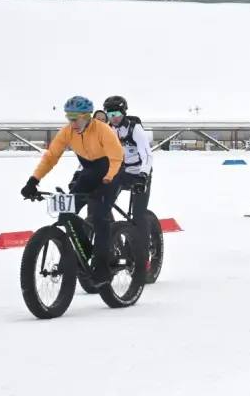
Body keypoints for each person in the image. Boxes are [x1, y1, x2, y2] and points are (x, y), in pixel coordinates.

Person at [20, 96, 125, 286]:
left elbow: (117, 158)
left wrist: (108, 180)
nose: (72, 123)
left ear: (87, 116)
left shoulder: (103, 130)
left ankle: (102, 265)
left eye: (76, 118)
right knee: (67, 211)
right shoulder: (68, 132)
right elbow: (51, 157)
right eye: (69, 118)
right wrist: (33, 180)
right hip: (90, 172)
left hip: (113, 171)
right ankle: (85, 250)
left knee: (100, 216)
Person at [103, 95, 153, 230]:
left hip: (139, 173)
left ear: (124, 113)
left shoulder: (134, 128)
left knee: (138, 216)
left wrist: (144, 175)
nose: (114, 117)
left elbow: (147, 154)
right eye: (110, 114)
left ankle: (143, 248)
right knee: (103, 207)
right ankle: (114, 239)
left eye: (117, 113)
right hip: (121, 172)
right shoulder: (107, 130)